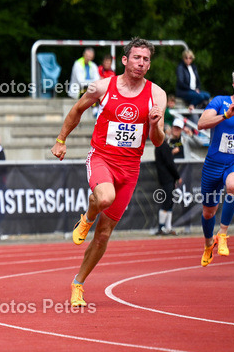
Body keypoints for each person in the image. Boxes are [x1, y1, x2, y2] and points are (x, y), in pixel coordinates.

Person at [52, 38, 165, 307]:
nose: (141, 63)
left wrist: (155, 124)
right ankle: (88, 217)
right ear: (124, 60)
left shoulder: (156, 95)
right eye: (136, 57)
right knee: (104, 198)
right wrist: (61, 139)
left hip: (130, 168)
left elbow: (158, 141)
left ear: (149, 64)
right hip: (102, 157)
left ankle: (78, 283)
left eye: (146, 59)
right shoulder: (103, 86)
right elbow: (77, 109)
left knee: (104, 235)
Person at [196, 66, 234, 265]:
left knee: (233, 186)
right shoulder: (220, 101)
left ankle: (223, 233)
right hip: (213, 165)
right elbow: (201, 123)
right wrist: (225, 115)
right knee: (208, 212)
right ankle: (209, 244)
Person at [153, 118, 184, 236]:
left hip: (167, 178)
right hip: (167, 178)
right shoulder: (163, 146)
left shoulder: (163, 145)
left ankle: (167, 227)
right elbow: (170, 163)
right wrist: (177, 176)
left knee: (169, 202)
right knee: (167, 202)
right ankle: (162, 227)